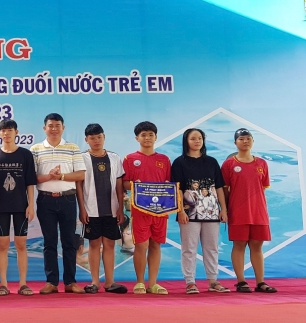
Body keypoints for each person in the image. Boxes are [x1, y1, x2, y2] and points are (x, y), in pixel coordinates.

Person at [31, 113, 86, 294]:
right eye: (50, 125)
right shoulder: (36, 149)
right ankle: (51, 282)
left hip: (68, 199)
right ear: (44, 128)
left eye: (57, 125)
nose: (54, 129)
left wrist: (61, 176)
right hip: (45, 199)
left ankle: (70, 282)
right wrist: (49, 176)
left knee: (69, 241)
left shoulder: (72, 148)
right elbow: (31, 178)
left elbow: (80, 175)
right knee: (49, 242)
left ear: (63, 127)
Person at [172, 128, 229, 294]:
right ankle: (190, 282)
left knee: (212, 248)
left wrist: (223, 209)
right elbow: (177, 189)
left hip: (212, 212)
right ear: (186, 141)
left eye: (200, 138)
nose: (197, 141)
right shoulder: (179, 163)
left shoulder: (211, 162)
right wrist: (181, 210)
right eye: (193, 139)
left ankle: (213, 281)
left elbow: (219, 187)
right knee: (189, 248)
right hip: (189, 213)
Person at [221, 128, 277, 293]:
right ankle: (241, 281)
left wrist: (256, 205)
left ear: (252, 141)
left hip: (259, 211)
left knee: (257, 245)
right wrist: (227, 209)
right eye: (241, 139)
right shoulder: (229, 164)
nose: (245, 141)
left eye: (248, 138)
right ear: (235, 143)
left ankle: (260, 282)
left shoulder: (261, 163)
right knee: (239, 244)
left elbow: (263, 188)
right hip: (238, 211)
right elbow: (224, 190)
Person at [75, 123, 128, 294]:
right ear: (86, 140)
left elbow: (120, 184)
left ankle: (110, 282)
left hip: (112, 209)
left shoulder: (114, 158)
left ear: (104, 137)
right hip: (91, 209)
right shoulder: (82, 158)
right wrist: (82, 209)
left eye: (99, 137)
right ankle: (95, 282)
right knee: (94, 243)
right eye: (92, 138)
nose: (96, 140)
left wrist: (120, 208)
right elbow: (79, 184)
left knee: (110, 244)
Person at [0, 119, 36, 296]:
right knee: (3, 244)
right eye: (3, 131)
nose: (6, 134)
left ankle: (23, 283)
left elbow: (30, 182)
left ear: (17, 132)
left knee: (21, 244)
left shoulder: (25, 155)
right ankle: (3, 284)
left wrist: (31, 204)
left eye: (10, 130)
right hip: (1, 207)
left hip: (21, 206)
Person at [122, 121, 171, 295]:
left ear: (156, 137)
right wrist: (135, 185)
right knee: (141, 246)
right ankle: (140, 282)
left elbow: (170, 185)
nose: (147, 138)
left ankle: (153, 283)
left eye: (151, 134)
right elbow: (124, 183)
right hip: (140, 210)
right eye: (143, 135)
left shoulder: (164, 160)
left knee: (156, 245)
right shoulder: (130, 159)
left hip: (160, 210)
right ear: (137, 138)